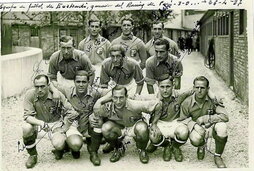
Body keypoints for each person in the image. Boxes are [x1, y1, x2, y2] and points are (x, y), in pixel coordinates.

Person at [50, 70, 111, 166]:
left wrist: (100, 101)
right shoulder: (68, 90)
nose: (81, 85)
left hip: (87, 124)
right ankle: (66, 147)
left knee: (98, 120)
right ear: (74, 82)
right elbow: (51, 83)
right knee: (75, 145)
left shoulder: (94, 91)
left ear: (88, 82)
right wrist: (55, 92)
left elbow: (113, 91)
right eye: (78, 82)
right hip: (73, 124)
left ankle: (93, 153)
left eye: (84, 82)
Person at [91, 85, 162, 164]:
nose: (118, 101)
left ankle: (142, 150)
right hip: (119, 127)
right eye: (115, 97)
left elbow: (158, 104)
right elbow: (96, 113)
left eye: (121, 97)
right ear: (111, 98)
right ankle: (118, 148)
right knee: (105, 128)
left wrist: (154, 124)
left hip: (134, 126)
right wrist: (92, 116)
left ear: (126, 97)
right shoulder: (107, 106)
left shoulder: (134, 104)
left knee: (142, 128)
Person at [22, 74, 79, 168]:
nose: (39, 89)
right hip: (40, 124)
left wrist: (64, 128)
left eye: (42, 86)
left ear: (48, 86)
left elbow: (72, 112)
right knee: (26, 128)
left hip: (56, 125)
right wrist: (40, 123)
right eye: (37, 87)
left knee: (59, 144)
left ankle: (63, 148)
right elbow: (27, 116)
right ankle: (33, 155)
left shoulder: (56, 95)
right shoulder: (30, 94)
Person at [178, 76, 229, 168]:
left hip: (210, 127)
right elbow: (182, 119)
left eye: (202, 88)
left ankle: (218, 156)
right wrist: (194, 125)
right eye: (197, 87)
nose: (199, 90)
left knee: (222, 127)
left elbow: (225, 116)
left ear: (207, 89)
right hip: (197, 129)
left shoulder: (213, 100)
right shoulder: (187, 102)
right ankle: (201, 145)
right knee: (195, 139)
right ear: (193, 88)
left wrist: (206, 118)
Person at [142, 77, 190, 162]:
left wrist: (212, 96)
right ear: (158, 86)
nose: (165, 90)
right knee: (153, 136)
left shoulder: (179, 95)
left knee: (184, 132)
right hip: (160, 123)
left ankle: (175, 146)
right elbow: (134, 98)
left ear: (173, 85)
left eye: (168, 86)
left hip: (175, 122)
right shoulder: (153, 97)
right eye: (162, 87)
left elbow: (195, 90)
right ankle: (166, 145)